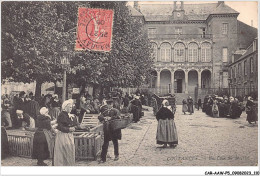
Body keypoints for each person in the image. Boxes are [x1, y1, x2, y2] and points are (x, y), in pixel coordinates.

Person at [53, 99, 81, 166]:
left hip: (68, 135)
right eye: (69, 107)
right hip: (63, 136)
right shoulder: (62, 115)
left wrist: (76, 127)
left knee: (69, 150)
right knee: (63, 151)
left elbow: (74, 124)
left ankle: (68, 164)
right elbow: (60, 127)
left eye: (71, 107)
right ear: (65, 107)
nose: (71, 109)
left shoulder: (70, 115)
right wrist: (69, 129)